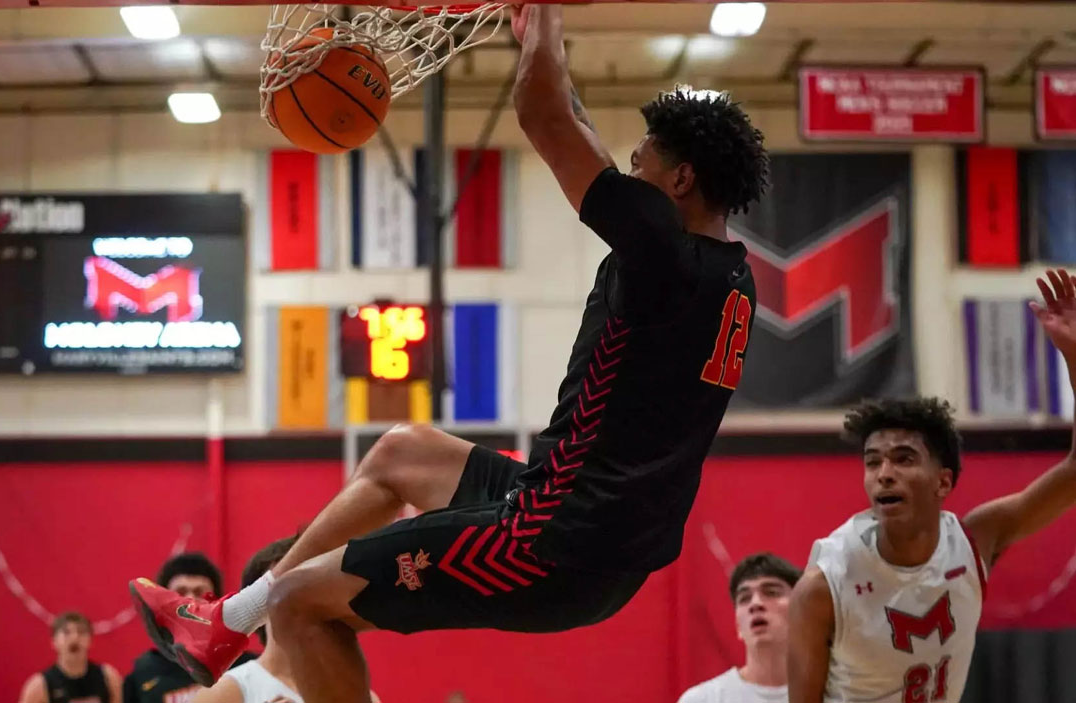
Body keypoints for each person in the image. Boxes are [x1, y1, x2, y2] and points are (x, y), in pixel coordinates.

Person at [129, 3, 770, 700]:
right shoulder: (724, 272)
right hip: (580, 521)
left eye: (645, 156)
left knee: (302, 607)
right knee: (403, 450)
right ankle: (224, 624)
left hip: (554, 544)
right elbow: (576, 125)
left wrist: (544, 14)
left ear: (680, 182)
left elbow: (544, 115)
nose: (631, 163)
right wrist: (533, 37)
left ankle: (242, 616)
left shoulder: (661, 252)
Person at [787, 269, 1076, 703]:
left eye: (903, 459)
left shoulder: (975, 541)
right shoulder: (823, 586)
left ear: (943, 483)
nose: (884, 472)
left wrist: (1075, 358)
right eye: (873, 462)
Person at [190, 537, 379, 703]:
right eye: (290, 583)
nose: (303, 593)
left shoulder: (361, 695)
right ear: (259, 600)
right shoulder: (226, 691)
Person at [124, 553, 253, 703]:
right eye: (180, 592)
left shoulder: (247, 666)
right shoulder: (144, 670)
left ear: (217, 601)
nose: (190, 600)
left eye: (199, 592)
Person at [678, 553, 799, 703]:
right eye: (744, 598)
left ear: (801, 613)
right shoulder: (702, 699)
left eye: (771, 592)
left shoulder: (831, 695)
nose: (755, 604)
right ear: (738, 625)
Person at [19, 613, 122, 703]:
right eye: (66, 632)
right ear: (54, 641)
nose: (75, 638)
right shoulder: (40, 685)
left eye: (81, 632)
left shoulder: (108, 677)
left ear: (90, 640)